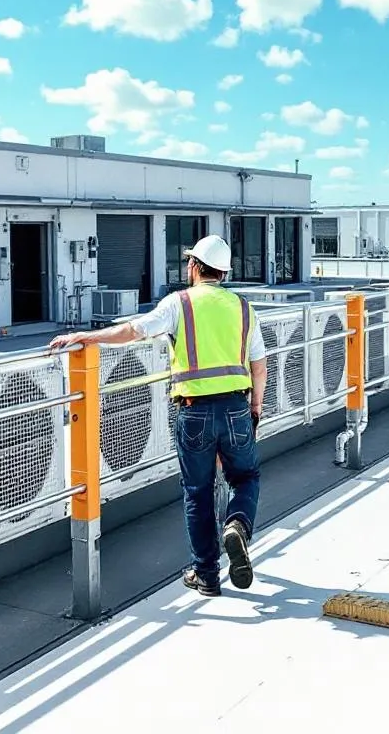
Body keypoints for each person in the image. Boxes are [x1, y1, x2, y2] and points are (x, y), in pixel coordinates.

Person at [49, 234, 266, 597]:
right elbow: (259, 365)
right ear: (224, 273)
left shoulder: (179, 303)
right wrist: (255, 408)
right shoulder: (244, 308)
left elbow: (134, 330)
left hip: (194, 411)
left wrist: (87, 337)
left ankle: (206, 575)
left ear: (194, 266)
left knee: (197, 492)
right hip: (236, 409)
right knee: (245, 477)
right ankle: (237, 525)